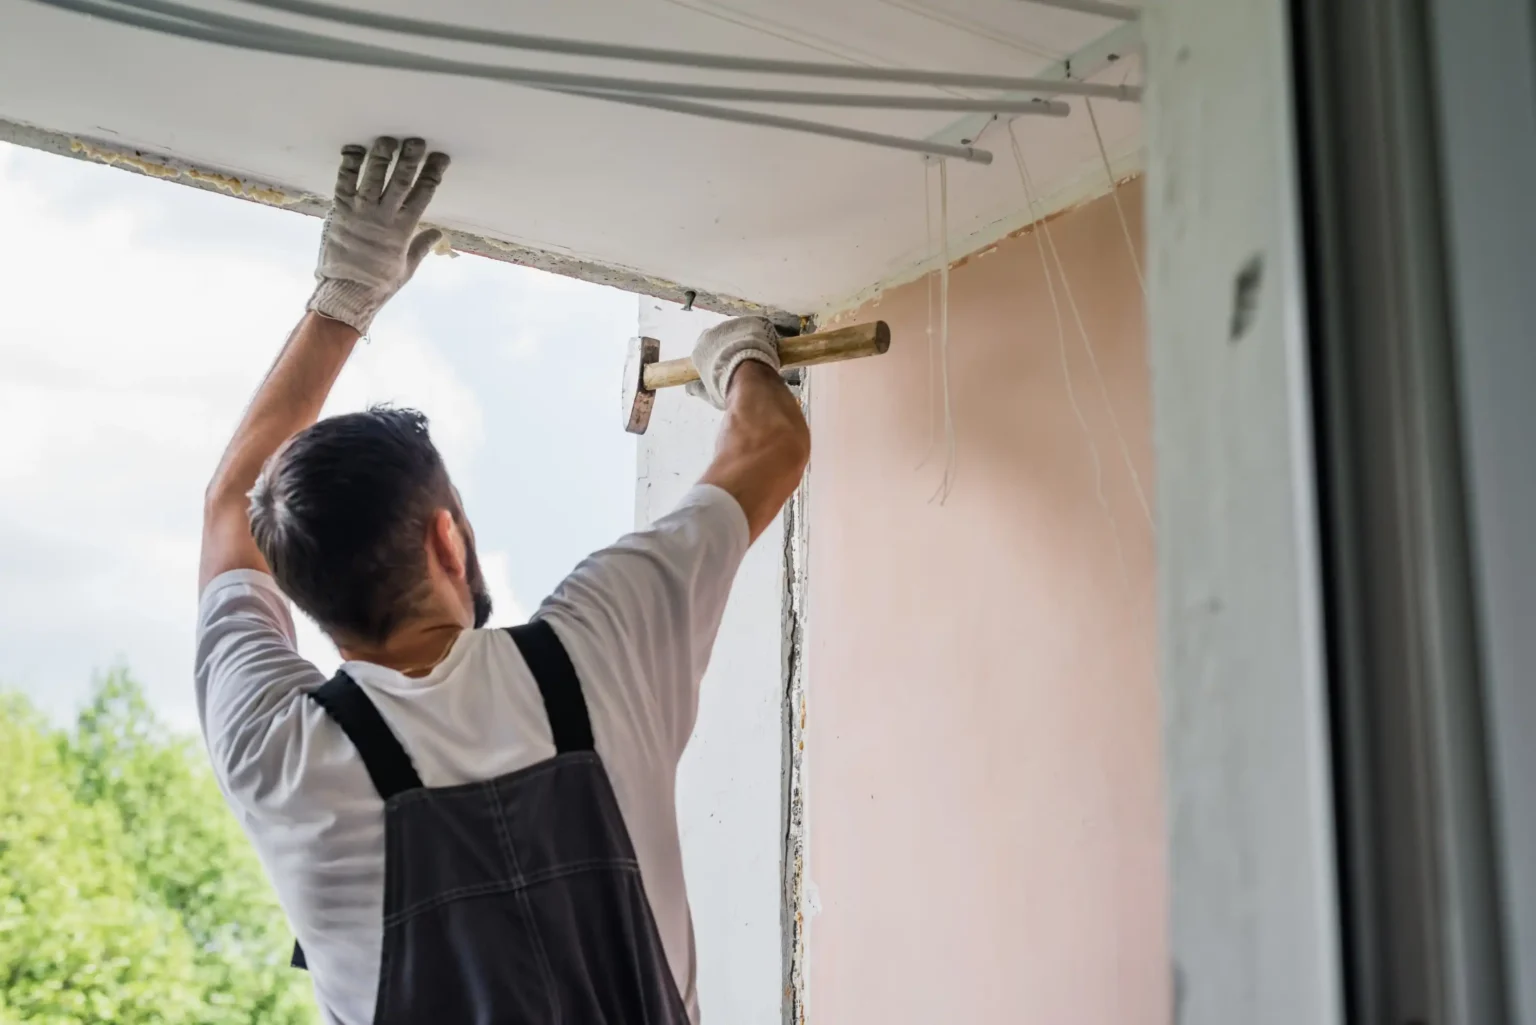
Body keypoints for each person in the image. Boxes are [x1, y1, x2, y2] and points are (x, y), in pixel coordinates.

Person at [195, 136, 809, 1025]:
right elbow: (773, 444)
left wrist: (343, 294)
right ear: (450, 538)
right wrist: (736, 353)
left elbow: (229, 508)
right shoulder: (603, 642)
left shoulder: (275, 754)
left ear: (301, 592)